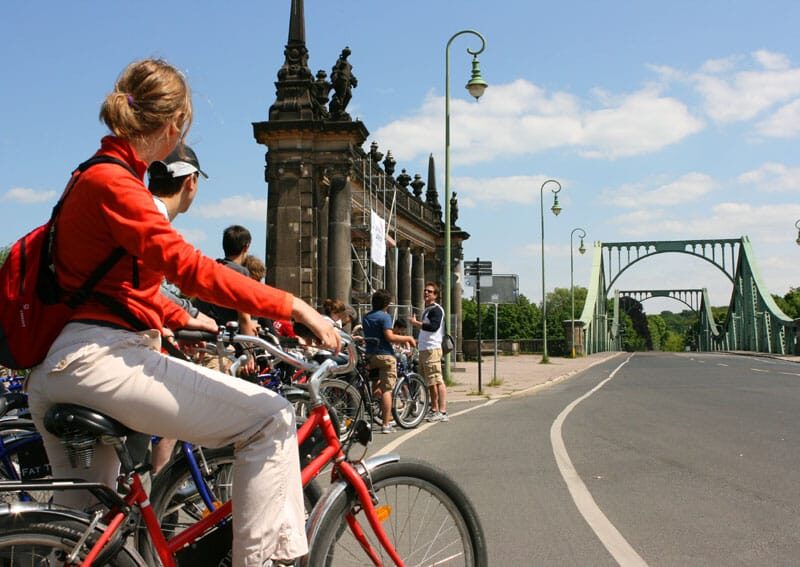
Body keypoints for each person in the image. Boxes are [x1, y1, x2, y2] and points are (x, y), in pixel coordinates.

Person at [25, 58, 339, 567]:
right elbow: (188, 268)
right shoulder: (116, 184)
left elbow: (113, 290)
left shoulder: (88, 176)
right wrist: (293, 305)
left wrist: (180, 319)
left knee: (85, 537)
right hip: (98, 363)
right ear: (175, 127)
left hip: (59, 367)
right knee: (269, 418)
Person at [362, 289, 415, 434]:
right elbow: (390, 337)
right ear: (386, 303)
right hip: (385, 355)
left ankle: (375, 405)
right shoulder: (385, 317)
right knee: (387, 390)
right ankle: (386, 424)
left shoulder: (366, 317)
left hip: (371, 355)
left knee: (375, 382)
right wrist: (408, 338)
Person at [411, 282, 449, 422]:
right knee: (430, 381)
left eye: (430, 291)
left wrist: (416, 324)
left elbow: (433, 327)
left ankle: (439, 410)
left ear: (436, 295)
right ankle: (435, 409)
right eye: (425, 290)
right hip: (425, 348)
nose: (426, 293)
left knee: (435, 380)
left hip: (432, 349)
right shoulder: (428, 309)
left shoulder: (436, 310)